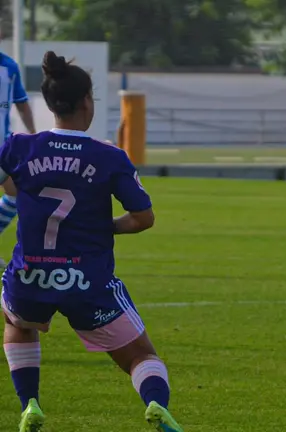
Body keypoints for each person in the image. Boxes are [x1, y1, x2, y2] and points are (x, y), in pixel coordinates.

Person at [0, 51, 183, 432]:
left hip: (32, 276)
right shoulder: (108, 156)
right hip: (88, 282)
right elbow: (143, 219)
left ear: (50, 104)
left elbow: (10, 182)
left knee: (17, 320)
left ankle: (30, 402)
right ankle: (155, 404)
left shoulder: (18, 147)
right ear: (87, 102)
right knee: (140, 357)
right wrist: (106, 227)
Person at [0, 49, 37, 263]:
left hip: (3, 147)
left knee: (16, 195)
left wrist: (33, 136)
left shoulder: (9, 67)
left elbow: (22, 104)